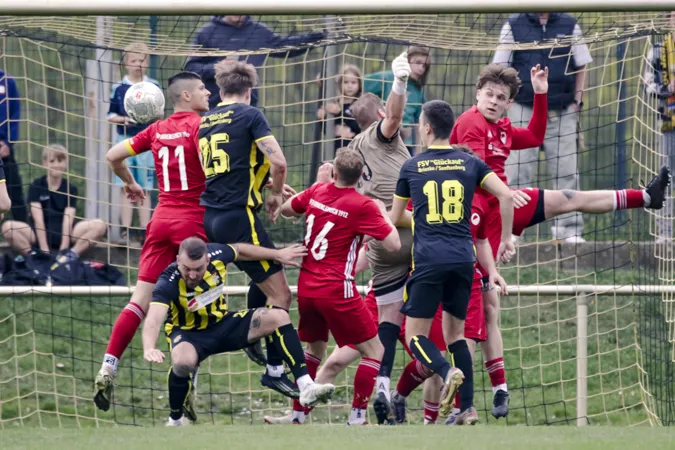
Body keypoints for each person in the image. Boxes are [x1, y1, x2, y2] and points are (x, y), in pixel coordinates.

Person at [389, 99, 515, 420]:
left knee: (415, 336)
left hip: (429, 260)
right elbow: (505, 195)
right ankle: (467, 408)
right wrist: (507, 238)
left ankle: (447, 372)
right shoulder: (470, 163)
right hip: (463, 260)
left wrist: (419, 218)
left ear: (427, 128)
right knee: (457, 336)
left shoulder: (411, 166)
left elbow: (395, 217)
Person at [93, 71, 211, 412]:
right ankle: (187, 384)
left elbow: (113, 155)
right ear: (185, 96)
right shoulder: (202, 127)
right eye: (202, 88)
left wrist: (130, 183)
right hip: (193, 222)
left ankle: (108, 366)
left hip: (160, 220)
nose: (207, 93)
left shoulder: (155, 130)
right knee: (197, 303)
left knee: (139, 300)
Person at [142, 237, 335, 426]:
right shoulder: (168, 281)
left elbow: (241, 249)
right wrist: (149, 347)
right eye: (187, 269)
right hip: (189, 335)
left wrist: (276, 254)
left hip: (223, 325)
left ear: (207, 260)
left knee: (279, 317)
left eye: (198, 269)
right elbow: (153, 319)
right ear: (178, 260)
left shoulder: (218, 254)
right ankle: (175, 420)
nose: (192, 275)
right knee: (183, 363)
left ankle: (306, 385)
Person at [450, 62, 547, 415]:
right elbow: (477, 175)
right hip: (469, 222)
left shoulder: (502, 128)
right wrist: (508, 198)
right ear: (478, 94)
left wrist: (540, 94)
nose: (493, 101)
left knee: (489, 309)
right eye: (488, 94)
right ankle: (457, 404)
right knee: (468, 320)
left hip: (494, 219)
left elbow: (534, 137)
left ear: (508, 103)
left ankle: (498, 390)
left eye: (500, 97)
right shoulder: (470, 123)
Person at [278, 148, 401, 425]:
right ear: (361, 176)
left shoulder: (317, 191)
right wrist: (382, 213)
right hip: (336, 289)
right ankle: (357, 416)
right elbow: (393, 244)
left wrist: (316, 188)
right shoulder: (363, 205)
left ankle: (297, 415)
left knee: (314, 350)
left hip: (307, 287)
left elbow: (286, 210)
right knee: (375, 351)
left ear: (334, 172)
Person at [199, 59, 298, 398]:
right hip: (239, 217)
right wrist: (275, 194)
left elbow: (232, 166)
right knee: (282, 295)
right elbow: (279, 162)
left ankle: (253, 338)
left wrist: (264, 182)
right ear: (249, 91)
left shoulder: (205, 120)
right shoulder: (250, 115)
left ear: (219, 90)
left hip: (211, 218)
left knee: (263, 279)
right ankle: (274, 369)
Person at [347, 51, 413, 424]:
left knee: (388, 318)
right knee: (442, 325)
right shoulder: (380, 134)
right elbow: (395, 118)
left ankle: (383, 386)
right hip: (412, 232)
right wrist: (399, 83)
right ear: (376, 114)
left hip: (379, 242)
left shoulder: (350, 152)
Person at [493, 13, 592, 242]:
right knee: (517, 172)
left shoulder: (570, 24)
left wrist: (577, 101)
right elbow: (499, 68)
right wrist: (507, 103)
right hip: (522, 109)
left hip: (562, 109)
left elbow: (581, 65)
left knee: (567, 171)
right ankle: (512, 230)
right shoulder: (513, 25)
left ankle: (569, 229)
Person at [185, 15, 326, 109]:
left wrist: (319, 37)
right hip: (214, 106)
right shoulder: (206, 32)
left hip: (248, 105)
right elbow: (191, 68)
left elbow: (287, 47)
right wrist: (217, 67)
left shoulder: (259, 31)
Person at [1, 144, 106, 261]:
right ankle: (35, 258)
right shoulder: (36, 185)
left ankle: (70, 256)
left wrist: (63, 250)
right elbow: (38, 220)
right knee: (8, 227)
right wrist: (44, 250)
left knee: (99, 225)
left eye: (60, 161)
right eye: (52, 161)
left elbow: (68, 219)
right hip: (38, 234)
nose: (56, 165)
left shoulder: (71, 188)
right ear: (44, 163)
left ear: (66, 164)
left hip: (67, 233)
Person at [108, 43, 162, 244]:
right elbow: (110, 115)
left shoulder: (153, 85)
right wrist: (125, 119)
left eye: (142, 60)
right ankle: (126, 230)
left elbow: (159, 115)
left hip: (146, 143)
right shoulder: (119, 87)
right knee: (126, 186)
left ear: (147, 62)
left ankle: (144, 231)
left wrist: (147, 117)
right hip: (124, 141)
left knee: (145, 187)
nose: (138, 64)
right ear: (126, 64)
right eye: (134, 60)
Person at [644, 13, 675, 242]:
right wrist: (667, 88)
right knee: (667, 175)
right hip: (668, 122)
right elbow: (647, 85)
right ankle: (665, 233)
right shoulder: (657, 49)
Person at [364, 47, 430, 153]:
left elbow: (417, 124)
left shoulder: (419, 91)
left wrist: (418, 152)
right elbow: (357, 84)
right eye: (418, 62)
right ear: (407, 61)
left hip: (406, 144)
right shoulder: (387, 78)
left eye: (425, 65)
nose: (421, 68)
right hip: (382, 138)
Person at [0, 66, 27, 222]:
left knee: (15, 195)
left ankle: (24, 230)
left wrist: (8, 143)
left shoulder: (8, 81)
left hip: (3, 150)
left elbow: (15, 114)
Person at [317, 64, 362, 152]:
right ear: (340, 84)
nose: (349, 86)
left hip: (354, 151)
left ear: (359, 84)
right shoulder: (335, 103)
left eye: (353, 82)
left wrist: (340, 113)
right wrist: (322, 119)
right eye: (345, 82)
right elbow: (326, 130)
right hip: (335, 150)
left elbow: (359, 127)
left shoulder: (361, 104)